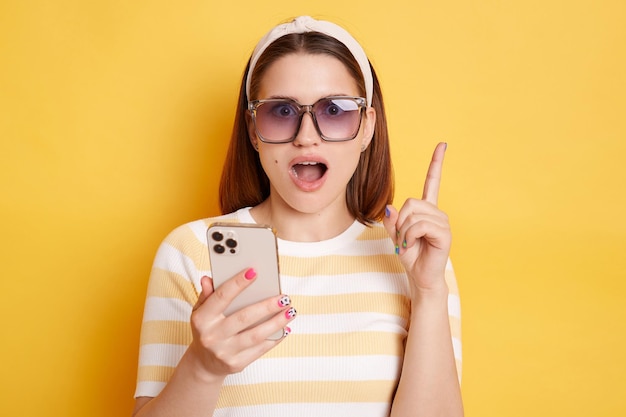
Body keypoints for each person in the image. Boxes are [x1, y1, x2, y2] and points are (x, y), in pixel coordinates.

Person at [132, 15, 463, 417]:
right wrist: (202, 369)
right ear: (253, 129)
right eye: (282, 111)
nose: (307, 135)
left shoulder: (417, 261)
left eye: (335, 110)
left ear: (367, 128)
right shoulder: (190, 253)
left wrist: (428, 293)